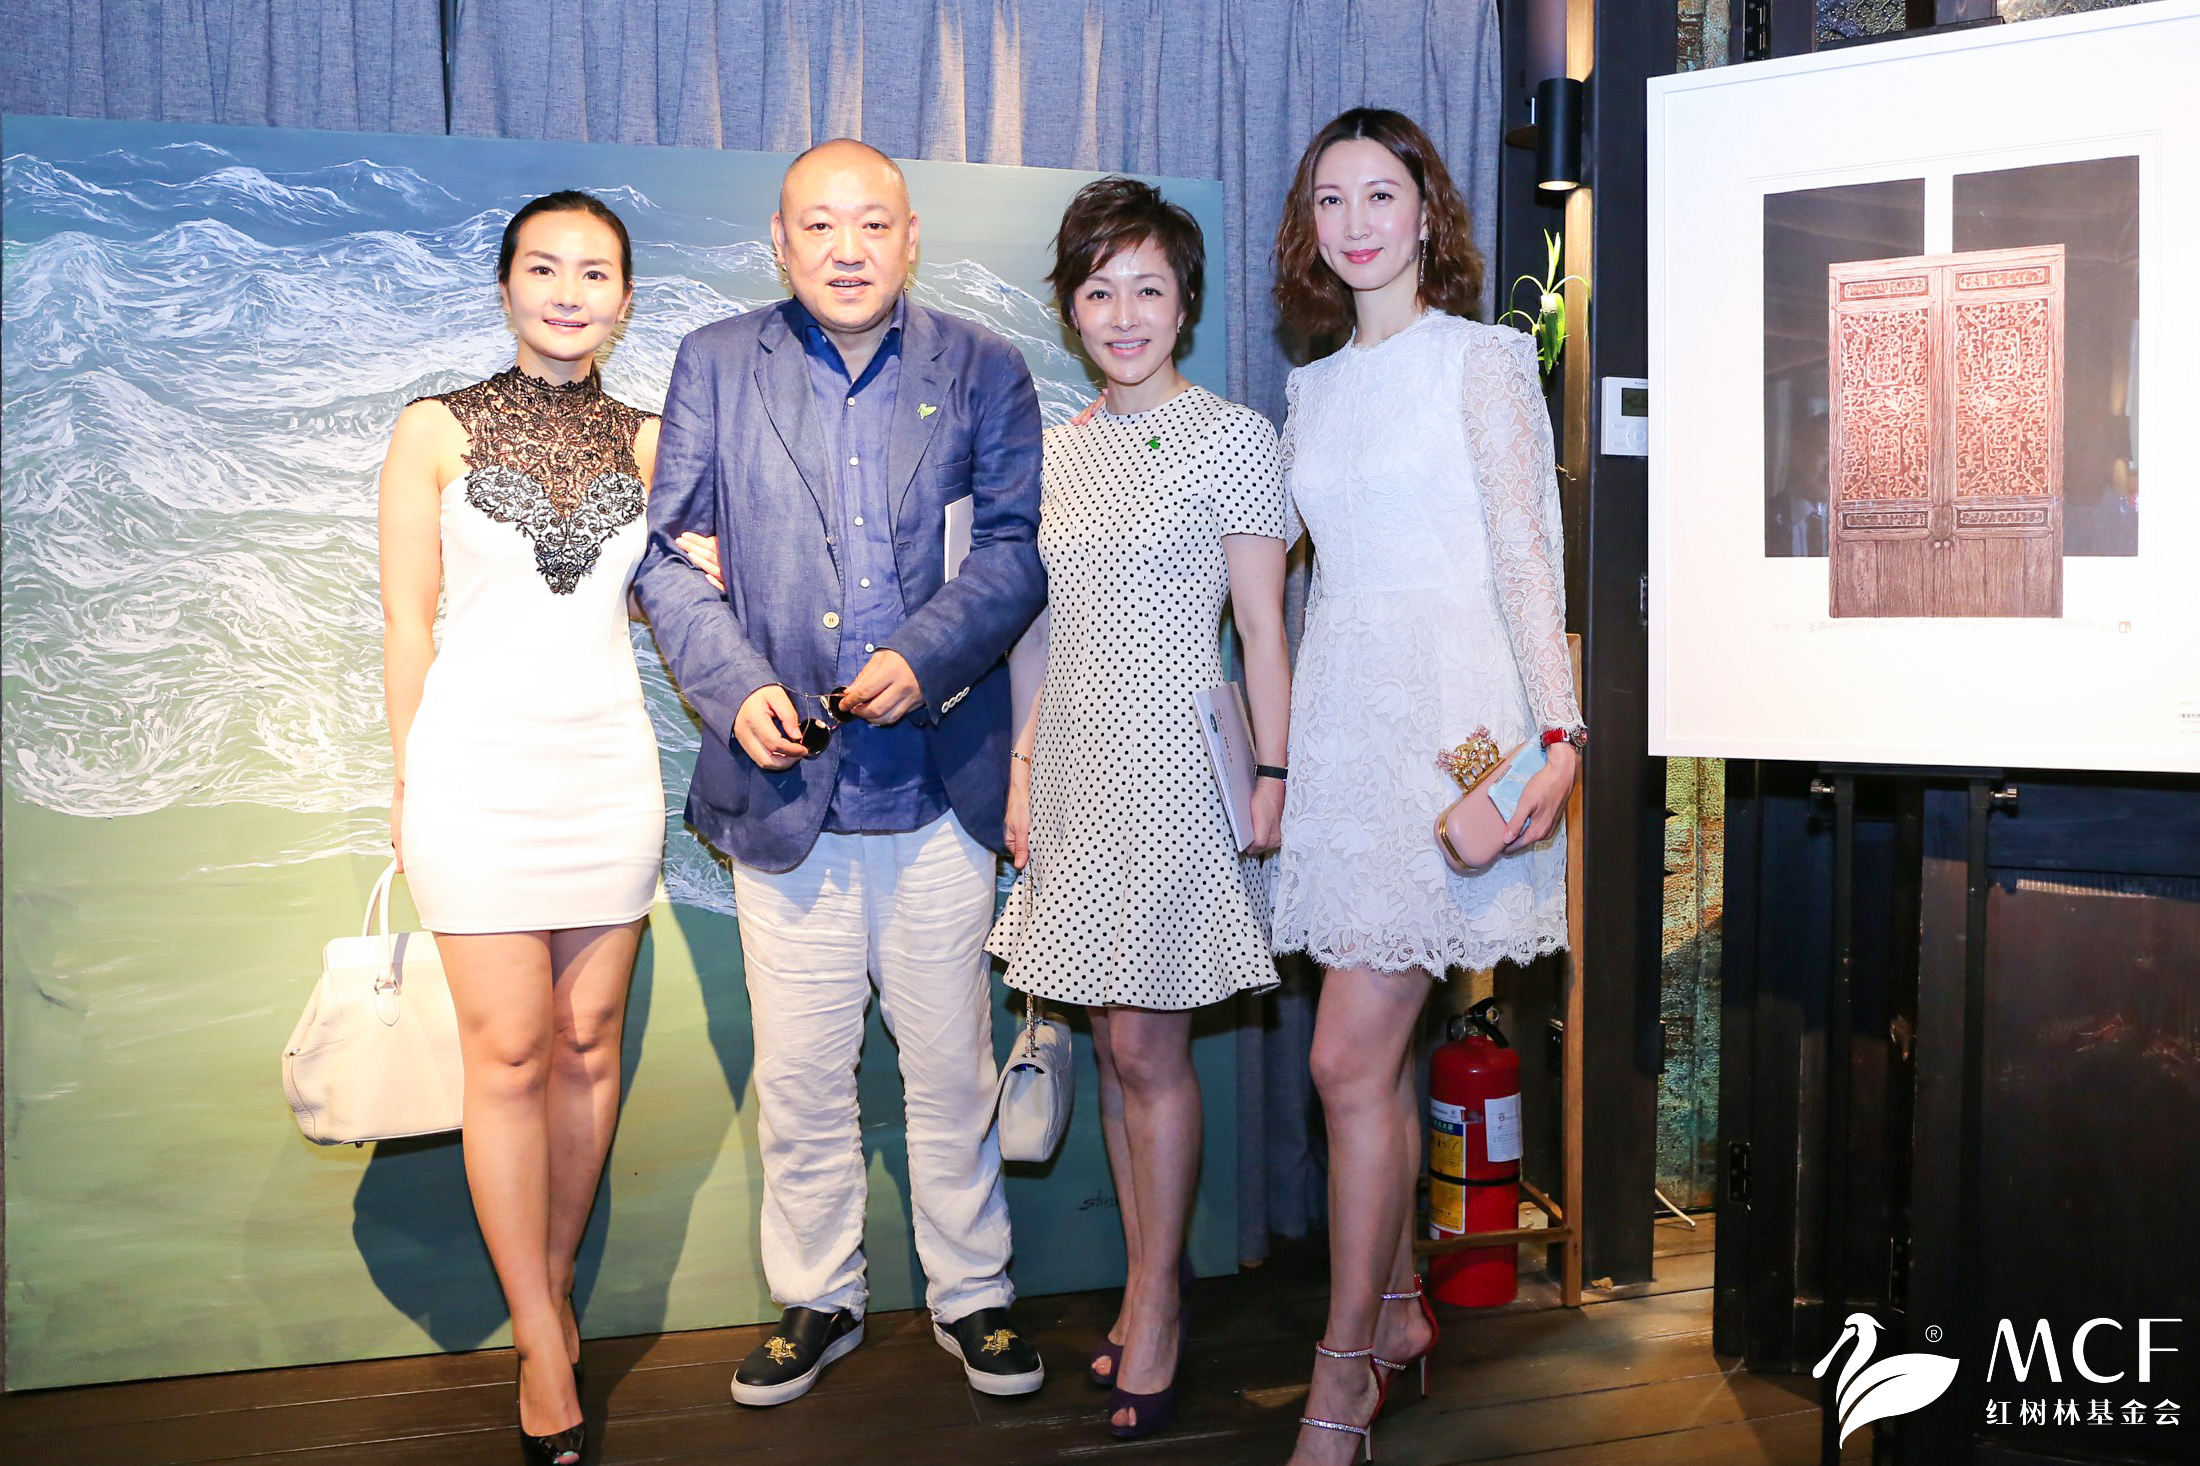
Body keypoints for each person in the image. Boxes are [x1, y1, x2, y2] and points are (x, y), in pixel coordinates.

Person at [633, 138, 1049, 1408]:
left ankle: (973, 1294)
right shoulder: (714, 361)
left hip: (937, 782)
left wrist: (925, 656)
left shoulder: (984, 365)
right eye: (819, 225)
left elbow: (1016, 551)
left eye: (872, 223)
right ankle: (818, 1294)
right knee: (803, 1073)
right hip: (784, 794)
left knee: (951, 1062)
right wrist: (733, 685)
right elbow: (664, 557)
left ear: (911, 236)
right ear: (781, 241)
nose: (847, 248)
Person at [1268, 109, 1585, 1464]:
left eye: (1380, 194)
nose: (1356, 222)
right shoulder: (1312, 388)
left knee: (1344, 1056)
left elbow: (1524, 553)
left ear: (1425, 211)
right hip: (1348, 729)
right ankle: (1397, 1307)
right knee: (1368, 1061)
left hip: (1454, 727)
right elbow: (1292, 582)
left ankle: (1343, 1369)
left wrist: (1559, 736)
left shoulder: (1483, 359)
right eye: (1330, 199)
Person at [974, 177, 1291, 1440]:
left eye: (1147, 288)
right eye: (1099, 290)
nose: (1123, 314)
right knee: (1112, 1043)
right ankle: (1145, 1282)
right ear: (1070, 307)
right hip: (1073, 770)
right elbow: (1037, 634)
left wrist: (1275, 771)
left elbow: (1263, 628)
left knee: (1150, 1049)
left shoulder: (1233, 437)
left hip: (1174, 770)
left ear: (1185, 304)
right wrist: (1019, 772)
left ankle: (1158, 1298)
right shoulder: (1053, 451)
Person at [379, 190, 662, 1466]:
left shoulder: (655, 439)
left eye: (593, 272)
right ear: (504, 285)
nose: (567, 291)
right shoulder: (431, 428)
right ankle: (544, 1344)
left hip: (607, 768)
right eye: (543, 268)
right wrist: (407, 782)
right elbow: (407, 623)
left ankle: (543, 1297)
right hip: (475, 772)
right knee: (506, 1052)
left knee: (587, 1043)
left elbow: (676, 594)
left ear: (624, 299)